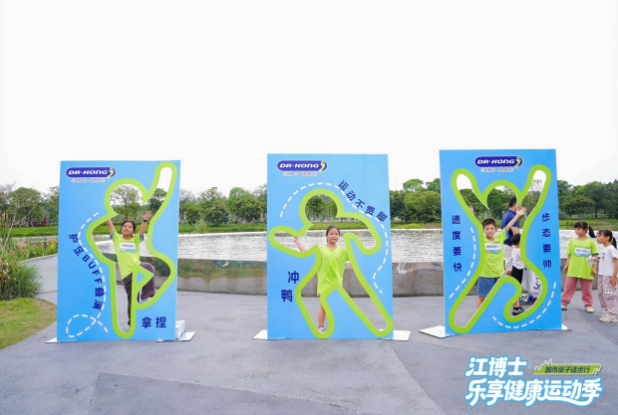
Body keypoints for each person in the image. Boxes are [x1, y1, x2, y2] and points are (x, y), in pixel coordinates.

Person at [294, 226, 357, 333]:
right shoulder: (320, 250)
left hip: (336, 284)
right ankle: (321, 327)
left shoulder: (342, 251)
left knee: (336, 306)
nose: (334, 236)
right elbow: (307, 256)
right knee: (323, 306)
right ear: (326, 235)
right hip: (324, 284)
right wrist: (298, 243)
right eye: (331, 234)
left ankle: (338, 327)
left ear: (339, 236)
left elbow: (354, 254)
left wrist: (354, 241)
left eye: (336, 234)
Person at [105, 211, 156, 325]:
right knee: (132, 299)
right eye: (125, 226)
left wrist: (145, 220)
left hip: (138, 269)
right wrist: (105, 212)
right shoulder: (117, 239)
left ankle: (146, 295)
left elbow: (142, 231)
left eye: (130, 227)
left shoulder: (135, 240)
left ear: (133, 231)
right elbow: (109, 224)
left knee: (148, 266)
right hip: (127, 274)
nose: (127, 228)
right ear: (121, 229)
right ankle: (132, 322)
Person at [477, 206, 527, 308]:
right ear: (483, 230)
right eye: (487, 229)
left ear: (496, 229)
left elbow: (508, 226)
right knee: (482, 297)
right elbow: (473, 228)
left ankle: (517, 308)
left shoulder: (500, 237)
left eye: (492, 228)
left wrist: (517, 215)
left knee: (511, 290)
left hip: (500, 274)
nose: (489, 231)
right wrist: (470, 215)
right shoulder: (481, 239)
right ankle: (479, 315)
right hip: (485, 275)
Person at [561, 221, 598, 313]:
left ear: (585, 230)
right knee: (568, 287)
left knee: (587, 289)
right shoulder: (572, 241)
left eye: (578, 229)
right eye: (575, 229)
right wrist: (566, 265)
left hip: (586, 269)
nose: (576, 231)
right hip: (573, 268)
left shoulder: (591, 242)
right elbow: (569, 255)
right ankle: (564, 303)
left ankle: (589, 305)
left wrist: (594, 268)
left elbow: (594, 256)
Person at [596, 230, 618, 323]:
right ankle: (607, 311)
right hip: (602, 275)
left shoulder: (611, 249)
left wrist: (614, 276)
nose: (597, 238)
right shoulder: (604, 249)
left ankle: (612, 315)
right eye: (597, 236)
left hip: (608, 276)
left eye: (599, 236)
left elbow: (616, 262)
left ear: (607, 237)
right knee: (600, 293)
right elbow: (602, 260)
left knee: (609, 294)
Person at [501, 197, 521, 277]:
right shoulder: (512, 216)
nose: (521, 207)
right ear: (515, 204)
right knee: (510, 269)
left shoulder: (506, 215)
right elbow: (516, 234)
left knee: (509, 266)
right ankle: (501, 281)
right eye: (520, 205)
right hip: (511, 245)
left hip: (506, 244)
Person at [510, 234, 525, 315]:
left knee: (516, 288)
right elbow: (525, 259)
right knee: (517, 289)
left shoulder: (514, 249)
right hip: (518, 270)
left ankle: (517, 306)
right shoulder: (519, 251)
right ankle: (516, 308)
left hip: (515, 269)